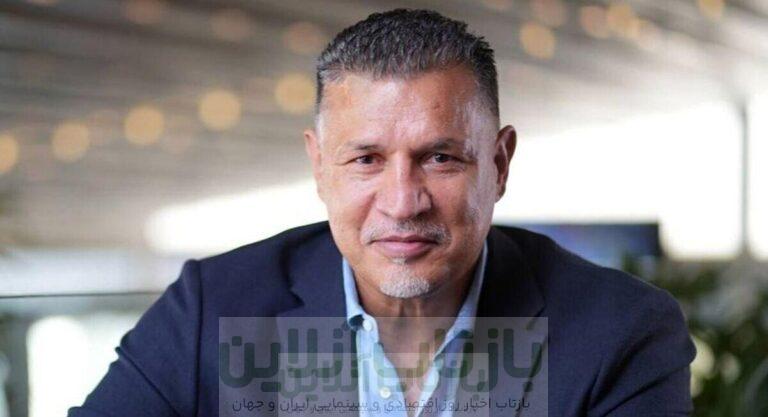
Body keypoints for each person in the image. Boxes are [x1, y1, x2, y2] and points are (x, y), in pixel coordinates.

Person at [69, 8, 696, 417]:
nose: (402, 202)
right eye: (366, 160)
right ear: (320, 167)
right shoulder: (211, 309)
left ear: (499, 164)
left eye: (441, 158)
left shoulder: (621, 331)